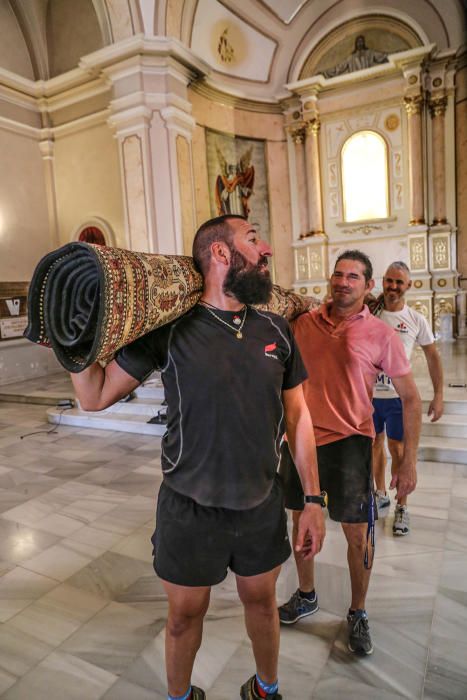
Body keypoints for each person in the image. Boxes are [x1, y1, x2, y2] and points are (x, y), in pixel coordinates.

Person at [70, 214, 325, 700]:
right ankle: (180, 696)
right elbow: (95, 395)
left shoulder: (275, 328)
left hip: (259, 500)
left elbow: (299, 417)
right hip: (189, 505)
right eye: (254, 238)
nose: (267, 247)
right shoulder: (170, 329)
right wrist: (71, 342)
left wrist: (312, 498)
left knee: (262, 602)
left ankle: (266, 689)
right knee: (185, 617)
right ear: (221, 255)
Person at [278, 250, 421, 655]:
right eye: (338, 274)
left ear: (368, 285)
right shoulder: (301, 323)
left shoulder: (381, 334)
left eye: (353, 276)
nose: (343, 282)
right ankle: (306, 594)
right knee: (301, 521)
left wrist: (407, 460)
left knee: (357, 534)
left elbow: (410, 398)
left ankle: (357, 610)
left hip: (350, 441)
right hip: (301, 439)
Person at [372, 261, 444, 535]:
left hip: (396, 398)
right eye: (389, 280)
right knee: (373, 444)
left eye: (398, 282)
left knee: (398, 449)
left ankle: (402, 506)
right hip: (369, 396)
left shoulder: (416, 319)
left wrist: (438, 395)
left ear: (408, 286)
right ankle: (380, 494)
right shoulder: (370, 312)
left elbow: (433, 357)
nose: (392, 286)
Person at [322, 35, 388, 78]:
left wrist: (394, 55)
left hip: (369, 79)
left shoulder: (370, 53)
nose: (360, 43)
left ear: (363, 43)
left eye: (361, 41)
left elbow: (382, 56)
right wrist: (325, 73)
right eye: (358, 42)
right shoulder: (351, 58)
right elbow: (339, 68)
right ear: (356, 44)